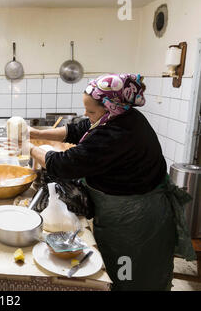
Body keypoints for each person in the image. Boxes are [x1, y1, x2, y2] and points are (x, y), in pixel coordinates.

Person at [27, 73, 196, 291]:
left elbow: (65, 164)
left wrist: (29, 148)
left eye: (91, 111)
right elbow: (80, 128)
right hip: (123, 211)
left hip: (136, 220)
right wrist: (36, 133)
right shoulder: (121, 115)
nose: (87, 116)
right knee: (119, 270)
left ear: (111, 108)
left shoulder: (118, 133)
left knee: (133, 275)